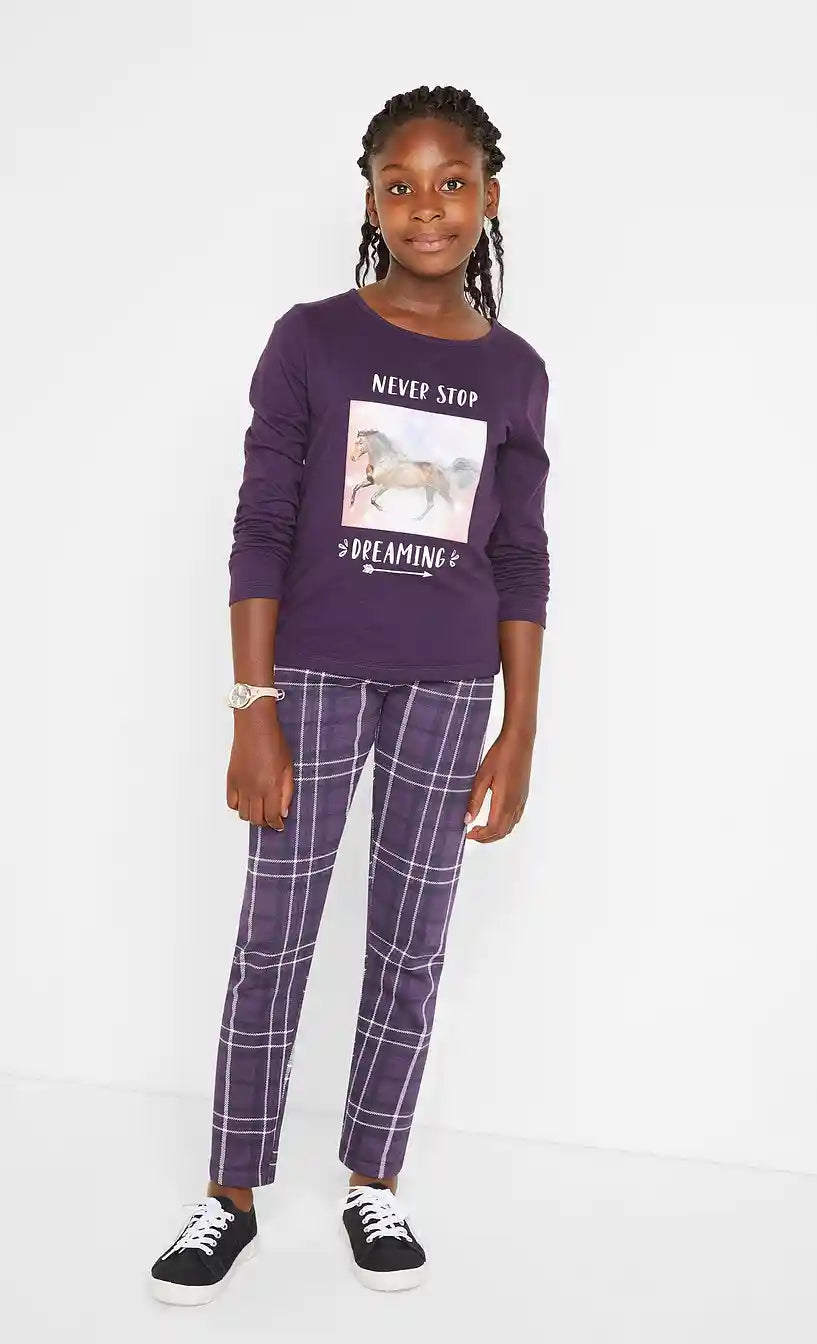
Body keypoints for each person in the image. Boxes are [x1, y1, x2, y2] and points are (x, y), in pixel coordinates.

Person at [149, 83, 551, 1305]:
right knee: (274, 934)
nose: (427, 208)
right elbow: (262, 523)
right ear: (370, 199)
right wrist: (251, 705)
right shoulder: (313, 339)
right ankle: (229, 1194)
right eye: (400, 184)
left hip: (451, 686)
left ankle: (376, 1176)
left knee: (412, 941)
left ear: (489, 195)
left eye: (452, 182)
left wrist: (522, 726)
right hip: (313, 674)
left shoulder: (516, 371)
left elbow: (520, 552)